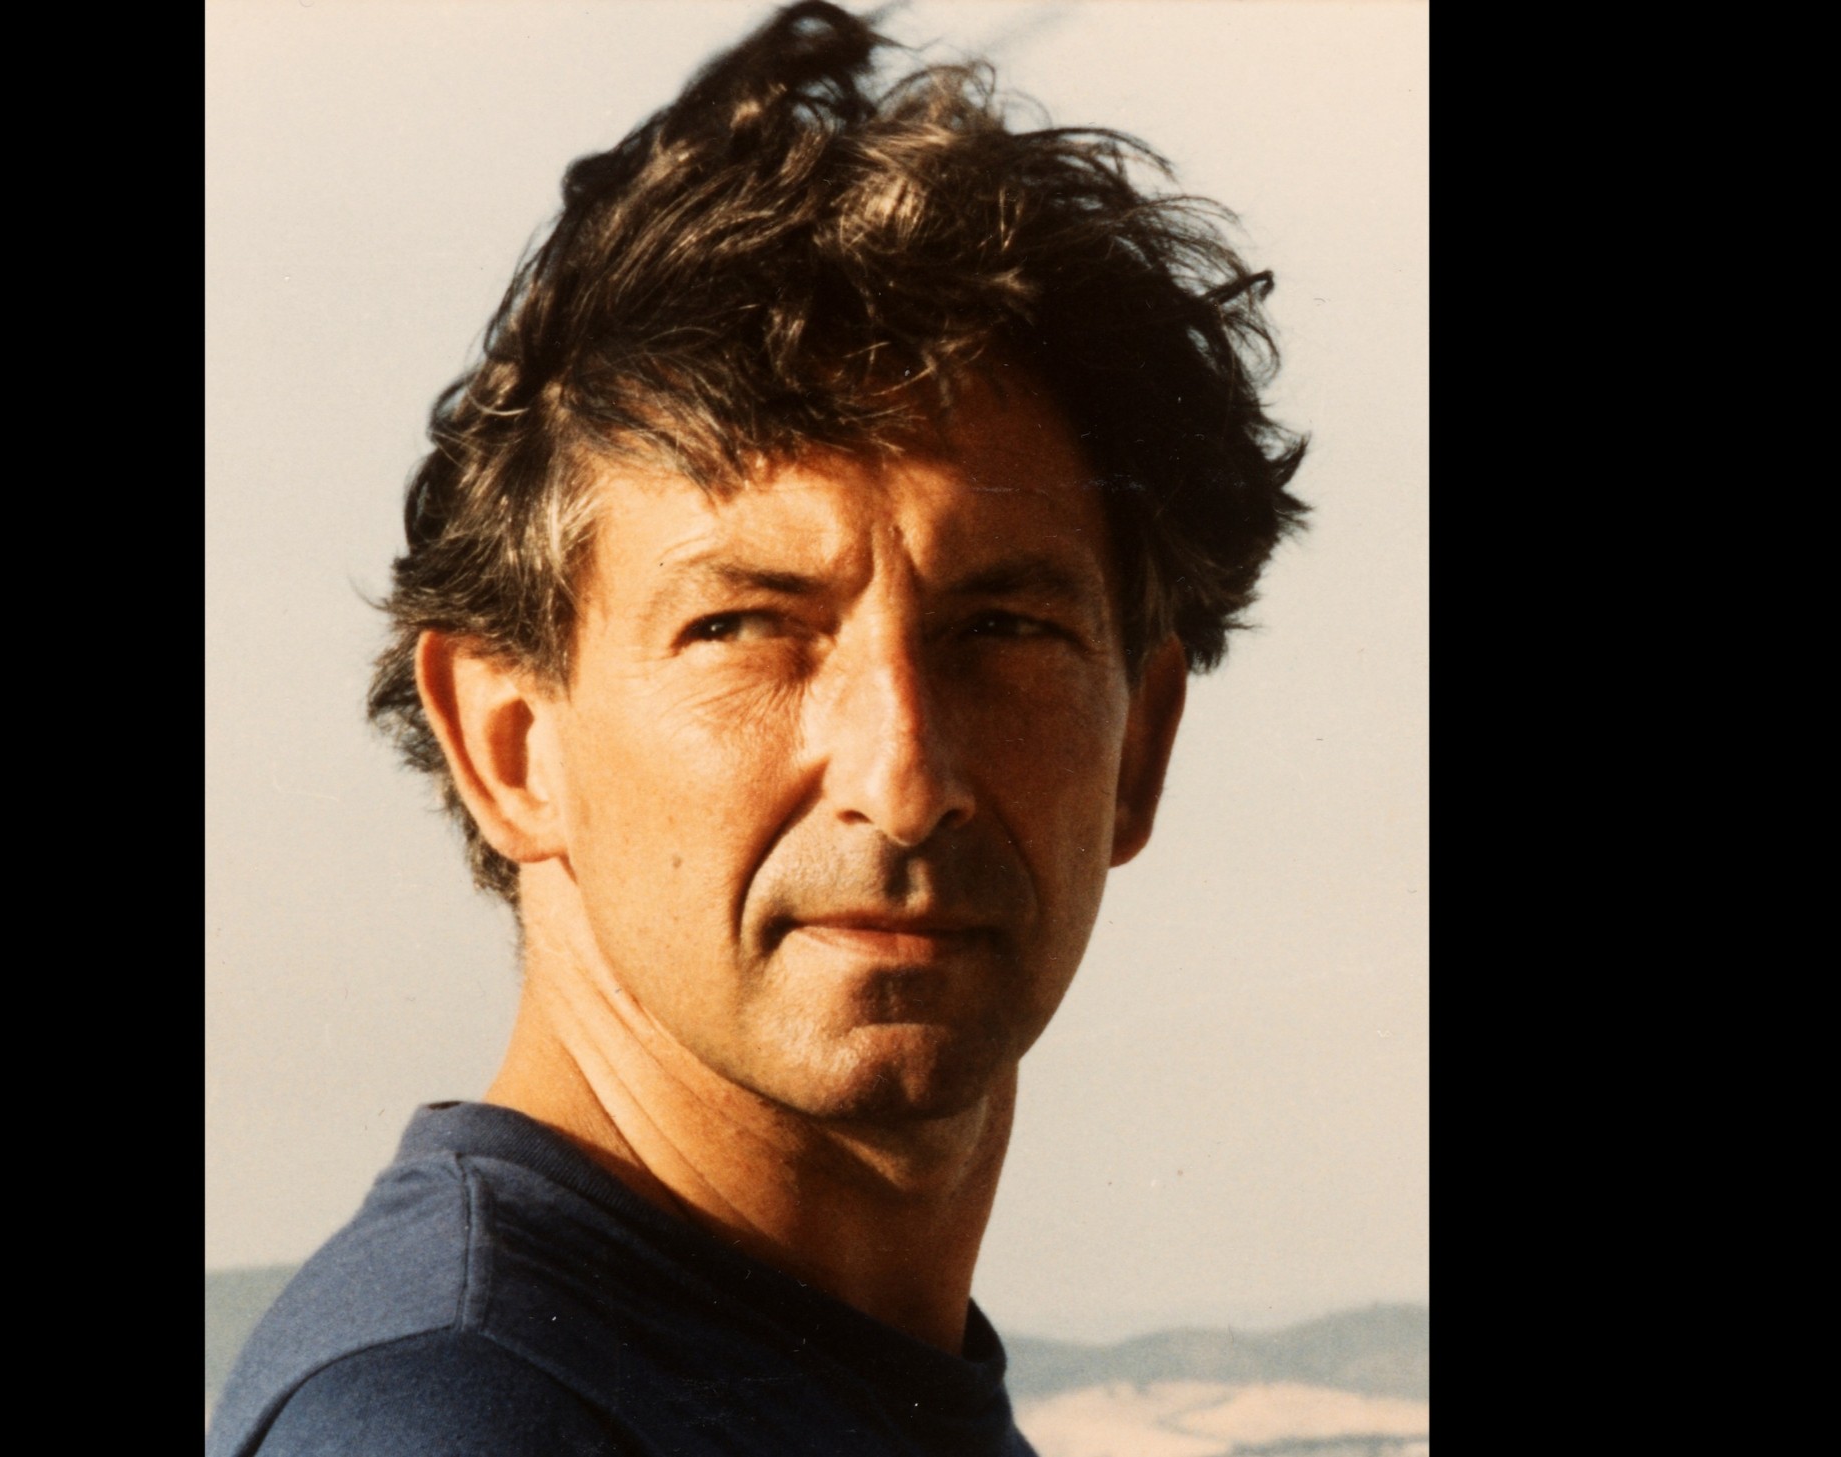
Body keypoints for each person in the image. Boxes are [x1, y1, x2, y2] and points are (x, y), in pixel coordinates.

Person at [206, 3, 1305, 1453]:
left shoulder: (813, 1382)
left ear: (1141, 747)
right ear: (510, 745)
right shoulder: (460, 1422)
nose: (904, 778)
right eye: (746, 628)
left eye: (1004, 629)